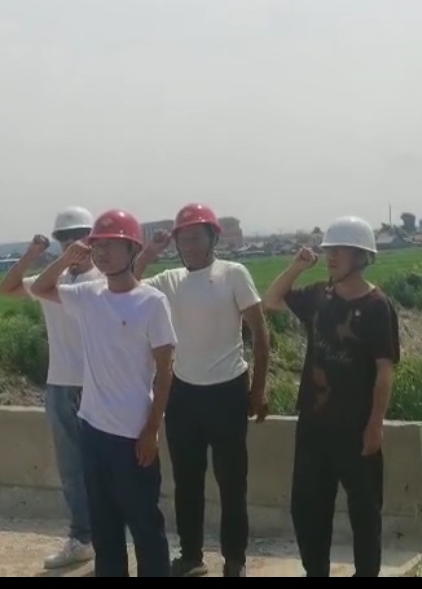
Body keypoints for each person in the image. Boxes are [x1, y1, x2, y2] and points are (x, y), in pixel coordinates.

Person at [29, 209, 177, 578]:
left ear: (132, 250)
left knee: (145, 525)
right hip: (93, 431)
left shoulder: (151, 302)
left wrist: (151, 430)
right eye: (98, 245)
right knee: (105, 528)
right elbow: (41, 289)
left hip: (133, 435)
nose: (102, 252)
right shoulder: (87, 295)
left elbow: (165, 371)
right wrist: (65, 258)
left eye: (112, 245)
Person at [132, 203, 271, 578]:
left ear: (213, 239)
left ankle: (235, 560)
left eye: (197, 237)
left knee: (232, 483)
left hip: (228, 391)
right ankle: (191, 556)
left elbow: (260, 335)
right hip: (183, 394)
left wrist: (258, 389)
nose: (190, 245)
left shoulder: (233, 273)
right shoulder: (170, 279)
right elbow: (129, 283)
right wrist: (150, 251)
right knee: (187, 483)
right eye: (184, 238)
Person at [261, 216, 401, 578]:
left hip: (356, 428)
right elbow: (271, 299)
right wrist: (296, 266)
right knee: (307, 507)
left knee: (365, 511)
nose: (331, 257)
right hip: (314, 424)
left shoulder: (377, 306)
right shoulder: (318, 297)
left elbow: (384, 370)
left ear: (361, 256)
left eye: (340, 250)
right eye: (329, 250)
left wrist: (375, 425)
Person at [0, 206, 103, 570]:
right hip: (60, 385)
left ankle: (109, 536)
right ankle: (82, 538)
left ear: (93, 237)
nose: (73, 242)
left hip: (97, 386)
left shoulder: (104, 280)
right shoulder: (52, 277)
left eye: (79, 235)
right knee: (71, 470)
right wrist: (32, 254)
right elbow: (7, 288)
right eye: (65, 237)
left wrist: (60, 262)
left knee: (105, 467)